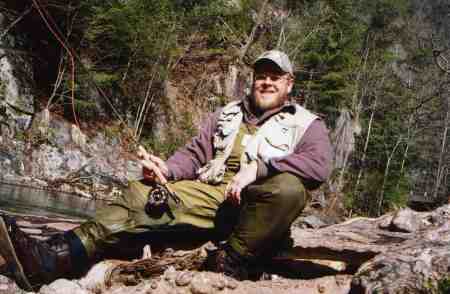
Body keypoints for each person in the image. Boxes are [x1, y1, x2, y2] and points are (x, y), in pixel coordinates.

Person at [0, 50, 332, 290]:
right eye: (262, 75)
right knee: (141, 194)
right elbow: (194, 154)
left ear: (289, 84)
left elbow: (318, 167)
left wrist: (259, 169)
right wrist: (167, 170)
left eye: (275, 77)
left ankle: (235, 262)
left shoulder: (307, 125)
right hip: (212, 198)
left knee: (289, 188)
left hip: (260, 209)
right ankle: (54, 256)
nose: (267, 82)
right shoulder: (228, 114)